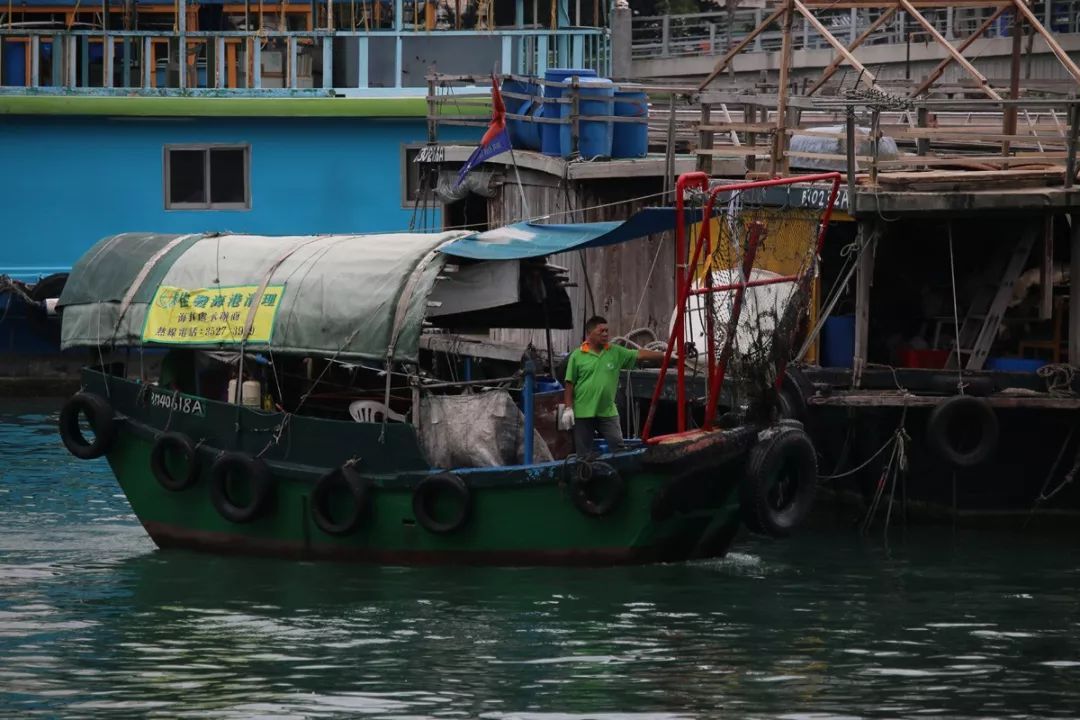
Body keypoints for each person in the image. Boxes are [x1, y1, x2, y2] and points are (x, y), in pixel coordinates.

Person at [560, 315, 667, 456]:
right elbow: (569, 384)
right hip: (583, 412)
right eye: (601, 331)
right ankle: (584, 475)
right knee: (583, 454)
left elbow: (640, 354)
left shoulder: (615, 352)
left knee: (619, 449)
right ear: (589, 334)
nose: (605, 334)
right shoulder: (577, 355)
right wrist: (568, 408)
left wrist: (666, 354)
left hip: (607, 411)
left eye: (607, 331)